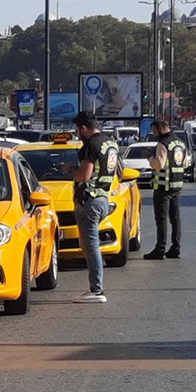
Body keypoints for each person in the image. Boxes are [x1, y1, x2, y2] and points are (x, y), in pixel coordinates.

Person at [63, 111, 116, 302]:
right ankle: (96, 287)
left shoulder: (90, 146)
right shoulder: (109, 143)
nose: (77, 133)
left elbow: (84, 175)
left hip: (90, 200)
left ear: (83, 128)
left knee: (91, 246)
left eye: (78, 129)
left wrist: (69, 169)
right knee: (89, 244)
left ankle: (96, 290)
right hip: (103, 197)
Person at [144, 119, 185, 260]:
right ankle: (176, 248)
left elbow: (158, 164)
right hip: (177, 185)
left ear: (161, 128)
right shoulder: (180, 143)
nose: (155, 135)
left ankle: (160, 249)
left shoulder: (163, 144)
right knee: (175, 218)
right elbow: (183, 162)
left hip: (163, 186)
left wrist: (149, 157)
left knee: (161, 219)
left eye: (155, 132)